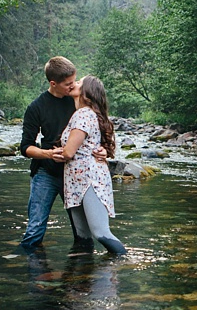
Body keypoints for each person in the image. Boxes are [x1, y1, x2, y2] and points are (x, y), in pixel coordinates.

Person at [19, 56, 98, 251]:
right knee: (35, 229)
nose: (73, 87)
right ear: (53, 83)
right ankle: (32, 275)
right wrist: (48, 154)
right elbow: (25, 147)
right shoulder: (36, 107)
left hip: (77, 173)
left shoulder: (80, 101)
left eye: (74, 81)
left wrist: (102, 149)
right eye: (68, 84)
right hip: (46, 173)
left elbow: (97, 129)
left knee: (84, 233)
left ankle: (81, 276)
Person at [61, 75, 127, 255]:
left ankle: (124, 263)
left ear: (87, 93)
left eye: (79, 82)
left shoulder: (84, 114)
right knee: (83, 236)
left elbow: (68, 152)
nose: (75, 84)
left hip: (89, 179)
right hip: (76, 180)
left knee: (101, 233)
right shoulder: (83, 113)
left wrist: (48, 153)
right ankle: (83, 279)